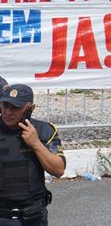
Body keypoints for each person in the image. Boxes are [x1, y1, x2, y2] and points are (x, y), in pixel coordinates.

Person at [0, 84, 66, 225]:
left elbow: (58, 170)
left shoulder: (44, 131)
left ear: (30, 108)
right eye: (5, 105)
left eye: (15, 107)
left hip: (32, 218)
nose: (8, 112)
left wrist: (35, 144)